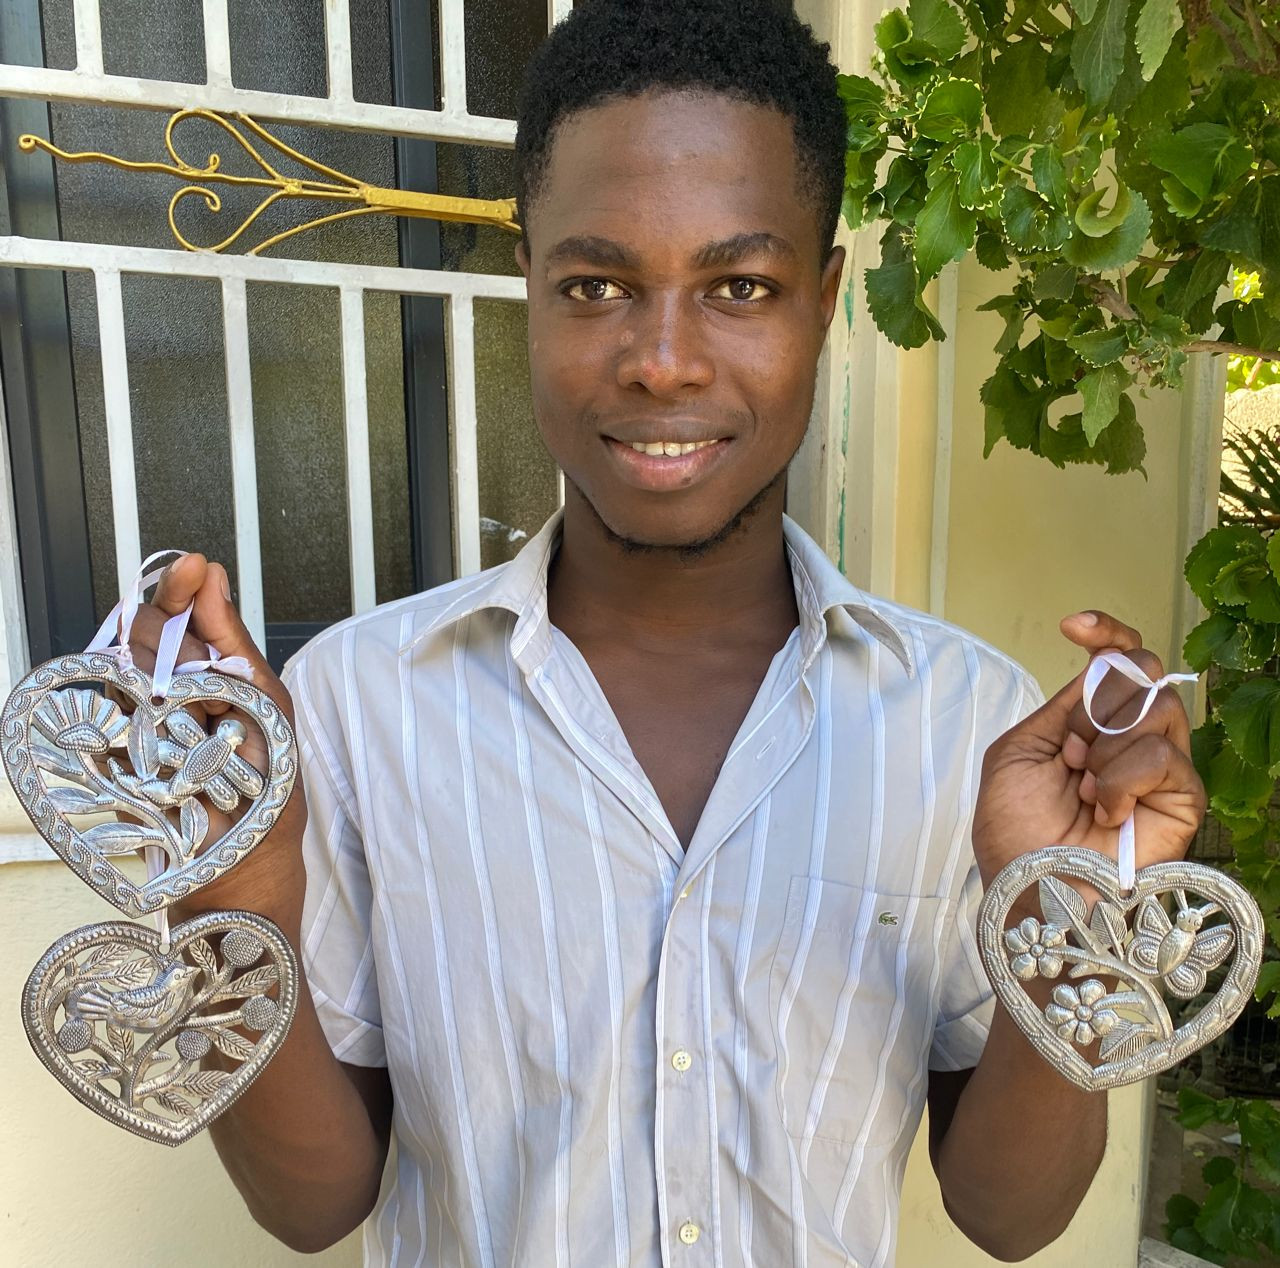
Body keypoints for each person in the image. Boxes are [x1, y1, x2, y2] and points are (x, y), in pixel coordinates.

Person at [130, 2, 1206, 1264]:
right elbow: (308, 1206)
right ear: (524, 284)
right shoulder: (362, 701)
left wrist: (1067, 917)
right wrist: (229, 900)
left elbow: (1010, 1216)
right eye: (596, 285)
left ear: (823, 298)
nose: (660, 361)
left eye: (737, 286)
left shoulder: (963, 721)